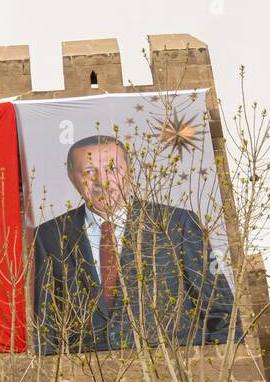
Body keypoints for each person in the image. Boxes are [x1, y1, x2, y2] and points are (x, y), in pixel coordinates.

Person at [31, 134, 237, 353]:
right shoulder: (48, 236)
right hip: (90, 379)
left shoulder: (177, 224)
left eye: (112, 168)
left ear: (128, 171)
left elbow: (223, 313)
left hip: (172, 374)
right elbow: (45, 328)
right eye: (89, 172)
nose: (102, 181)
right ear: (72, 178)